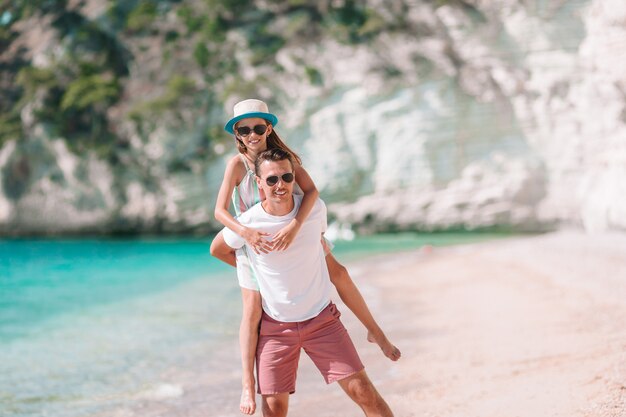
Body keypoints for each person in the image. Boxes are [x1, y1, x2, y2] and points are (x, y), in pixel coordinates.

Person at [210, 99, 400, 415]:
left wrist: (298, 227)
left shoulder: (287, 161)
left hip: (300, 228)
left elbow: (312, 193)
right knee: (252, 308)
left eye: (259, 127)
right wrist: (249, 240)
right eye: (245, 129)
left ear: (269, 128)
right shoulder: (237, 165)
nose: (253, 134)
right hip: (253, 239)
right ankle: (248, 384)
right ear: (238, 134)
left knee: (338, 273)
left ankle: (375, 331)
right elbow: (218, 217)